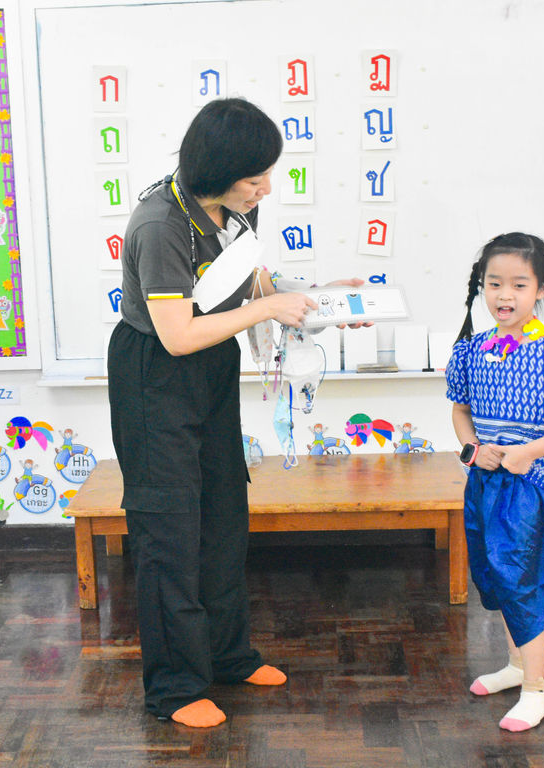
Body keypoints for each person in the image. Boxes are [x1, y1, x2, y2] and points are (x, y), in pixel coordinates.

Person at [107, 97, 361, 729]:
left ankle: (227, 656)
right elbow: (176, 335)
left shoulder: (233, 209)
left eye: (267, 174)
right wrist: (267, 310)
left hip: (211, 368)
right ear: (217, 170)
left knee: (223, 515)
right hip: (156, 375)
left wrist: (320, 299)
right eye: (255, 177)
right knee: (169, 530)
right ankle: (174, 688)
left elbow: (250, 284)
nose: (265, 188)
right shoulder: (160, 224)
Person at [445, 232, 544, 732]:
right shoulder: (471, 351)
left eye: (518, 284)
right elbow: (460, 411)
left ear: (542, 288)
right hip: (485, 484)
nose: (504, 295)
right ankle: (517, 667)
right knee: (495, 578)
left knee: (523, 583)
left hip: (532, 491)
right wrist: (473, 449)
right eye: (494, 283)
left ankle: (538, 689)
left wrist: (527, 452)